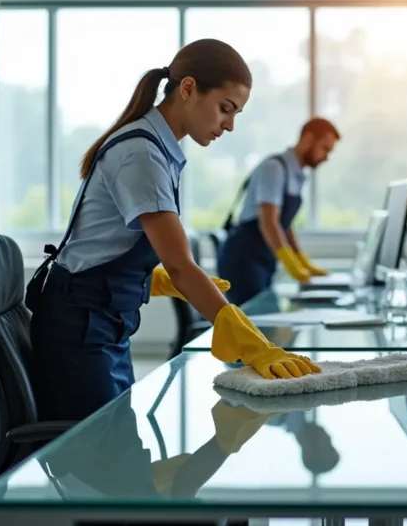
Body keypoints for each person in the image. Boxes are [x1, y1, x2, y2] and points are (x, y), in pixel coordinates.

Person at [25, 39, 321, 423]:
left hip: (100, 324)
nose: (230, 125)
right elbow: (181, 264)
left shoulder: (156, 148)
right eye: (225, 109)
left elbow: (113, 244)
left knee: (121, 461)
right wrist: (256, 347)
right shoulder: (142, 153)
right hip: (80, 332)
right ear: (187, 89)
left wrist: (155, 279)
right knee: (102, 466)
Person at [217, 117, 341, 305]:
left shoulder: (296, 174)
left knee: (266, 321)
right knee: (253, 325)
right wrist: (290, 263)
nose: (326, 157)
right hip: (243, 259)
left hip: (263, 258)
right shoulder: (274, 168)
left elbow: (285, 224)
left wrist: (301, 259)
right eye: (325, 148)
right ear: (308, 139)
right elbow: (269, 222)